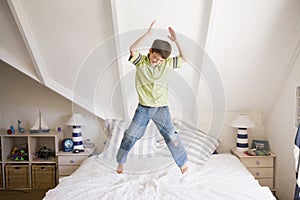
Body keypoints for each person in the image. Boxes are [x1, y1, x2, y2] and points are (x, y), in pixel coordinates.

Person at [116, 21, 188, 174]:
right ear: (150, 51)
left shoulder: (167, 64)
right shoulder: (141, 62)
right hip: (144, 108)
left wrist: (177, 41)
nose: (157, 61)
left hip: (162, 108)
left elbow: (184, 58)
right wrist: (148, 34)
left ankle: (182, 162)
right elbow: (132, 49)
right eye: (155, 57)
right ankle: (121, 161)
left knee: (171, 135)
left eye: (161, 60)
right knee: (130, 135)